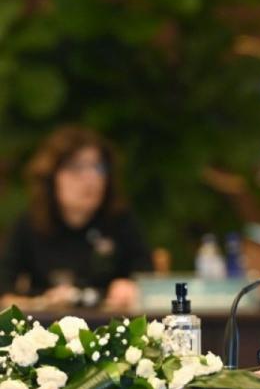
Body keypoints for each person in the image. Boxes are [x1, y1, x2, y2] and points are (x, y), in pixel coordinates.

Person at [0, 125, 151, 310]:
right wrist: (42, 303)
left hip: (110, 324)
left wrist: (130, 288)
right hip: (47, 325)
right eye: (76, 167)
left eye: (98, 167)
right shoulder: (30, 224)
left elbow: (146, 276)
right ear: (52, 176)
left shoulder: (120, 221)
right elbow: (5, 293)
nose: (91, 177)